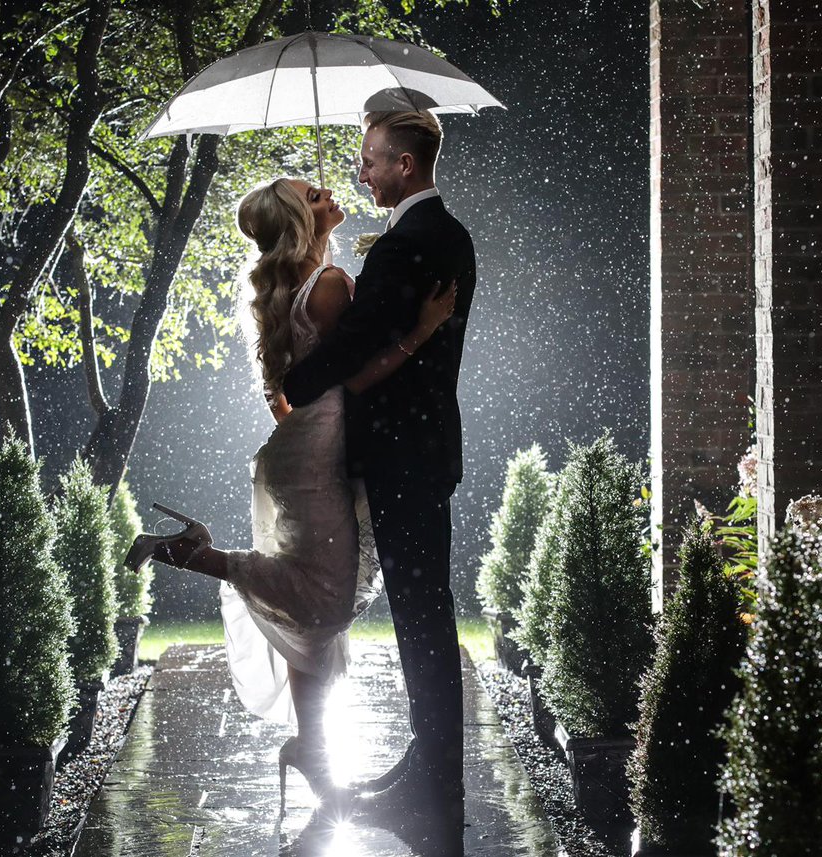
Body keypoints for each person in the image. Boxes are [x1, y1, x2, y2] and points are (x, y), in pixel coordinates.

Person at [123, 174, 456, 809]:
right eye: (314, 195)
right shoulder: (327, 286)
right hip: (319, 455)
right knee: (323, 603)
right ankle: (188, 551)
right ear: (301, 223)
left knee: (316, 625)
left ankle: (313, 750)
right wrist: (422, 329)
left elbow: (284, 396)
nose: (329, 191)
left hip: (297, 449)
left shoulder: (288, 293)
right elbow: (357, 376)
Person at [282, 109, 475, 841]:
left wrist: (295, 383)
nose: (360, 172)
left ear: (404, 165)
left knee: (423, 622)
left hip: (402, 457)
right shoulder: (448, 236)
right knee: (422, 617)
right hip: (423, 452)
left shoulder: (408, 247)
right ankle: (428, 764)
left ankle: (435, 781)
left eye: (370, 160)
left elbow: (360, 348)